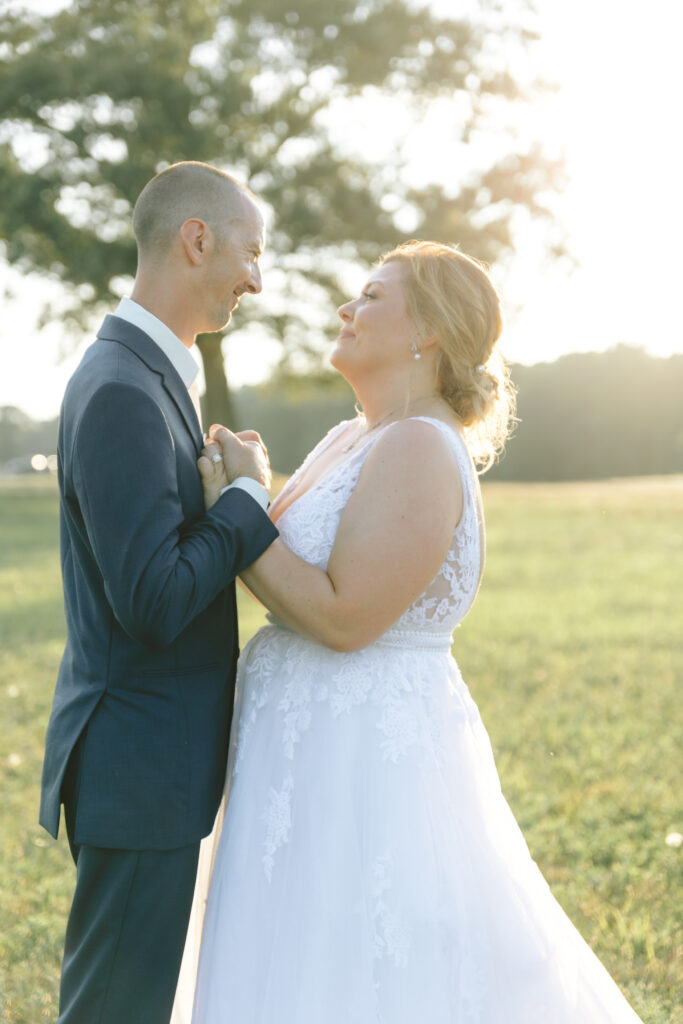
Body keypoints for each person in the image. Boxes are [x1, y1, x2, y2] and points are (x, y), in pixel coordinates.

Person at [169, 239, 644, 1023]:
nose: (345, 310)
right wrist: (244, 491)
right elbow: (279, 569)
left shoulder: (421, 443)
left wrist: (243, 507)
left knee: (371, 962)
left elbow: (345, 616)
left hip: (362, 753)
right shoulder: (349, 435)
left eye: (370, 297)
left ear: (427, 330)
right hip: (297, 745)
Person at [39, 161, 279, 1024]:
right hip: (138, 768)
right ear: (197, 240)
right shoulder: (121, 389)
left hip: (150, 765)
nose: (258, 277)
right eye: (251, 252)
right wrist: (246, 503)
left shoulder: (149, 375)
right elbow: (152, 600)